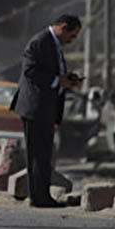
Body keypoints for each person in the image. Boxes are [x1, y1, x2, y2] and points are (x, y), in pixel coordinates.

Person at [9, 14, 82, 208]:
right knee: (37, 154)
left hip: (46, 108)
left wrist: (67, 79)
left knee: (44, 154)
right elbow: (30, 71)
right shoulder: (40, 42)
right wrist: (58, 81)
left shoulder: (54, 44)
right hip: (35, 107)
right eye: (72, 36)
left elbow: (52, 71)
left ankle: (43, 195)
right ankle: (39, 198)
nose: (71, 41)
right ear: (63, 27)